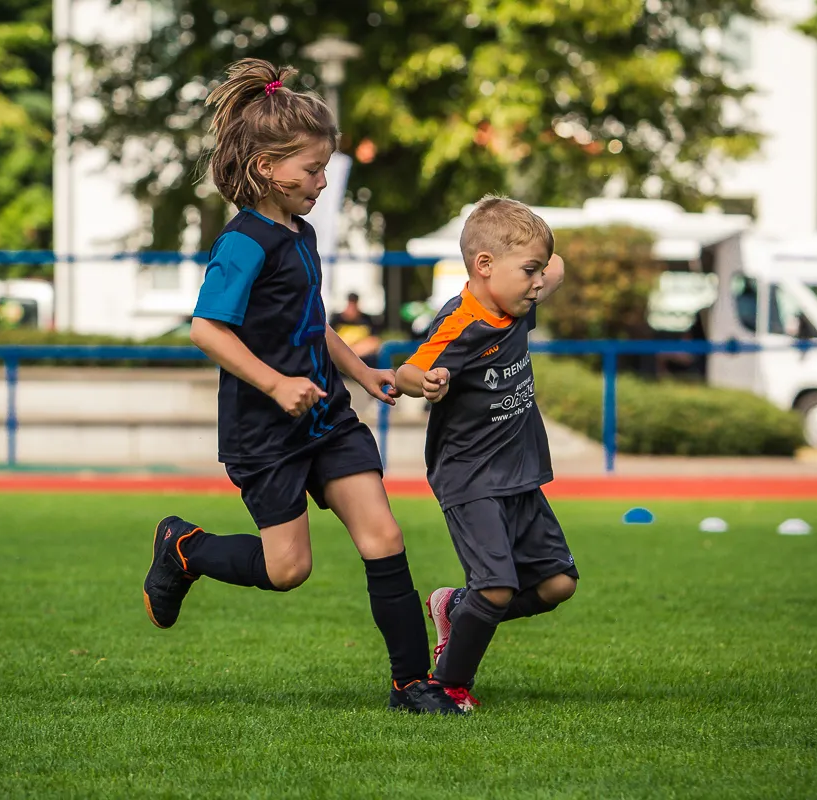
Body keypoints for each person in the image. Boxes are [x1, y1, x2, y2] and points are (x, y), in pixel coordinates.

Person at [142, 58, 462, 715]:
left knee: (384, 537)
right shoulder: (242, 242)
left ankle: (411, 685)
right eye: (313, 170)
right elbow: (206, 329)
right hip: (265, 431)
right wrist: (275, 384)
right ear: (266, 167)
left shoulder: (302, 233)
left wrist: (361, 371)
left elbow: (310, 321)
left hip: (328, 419)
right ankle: (184, 548)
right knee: (287, 570)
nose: (321, 182)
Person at [393, 196, 577, 712]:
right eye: (529, 271)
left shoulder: (516, 302)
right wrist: (426, 382)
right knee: (495, 588)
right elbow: (407, 371)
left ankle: (455, 608)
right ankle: (447, 685)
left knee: (558, 584)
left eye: (539, 271)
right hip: (470, 477)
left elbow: (555, 265)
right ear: (484, 265)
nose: (539, 283)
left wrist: (535, 257)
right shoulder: (460, 324)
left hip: (519, 475)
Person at [330, 292, 382, 368]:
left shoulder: (366, 319)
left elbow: (374, 341)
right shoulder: (336, 320)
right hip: (341, 361)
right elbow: (330, 341)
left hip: (363, 359)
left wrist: (353, 351)